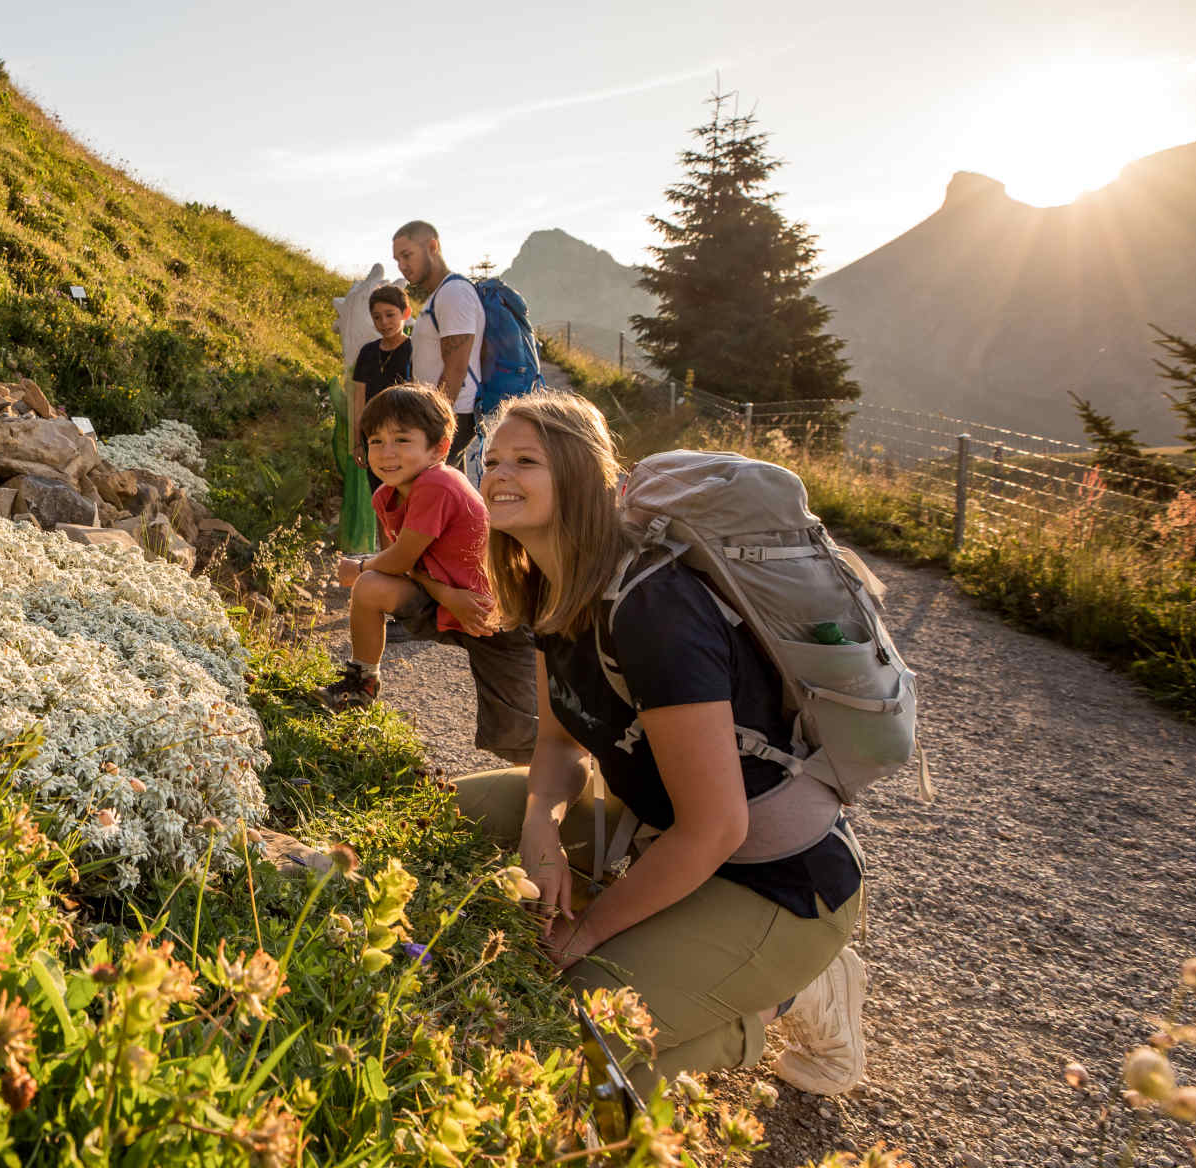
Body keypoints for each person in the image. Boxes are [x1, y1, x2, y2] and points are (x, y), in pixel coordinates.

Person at [451, 390, 867, 1098]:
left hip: (777, 883)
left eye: (527, 460)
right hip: (663, 838)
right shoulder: (553, 588)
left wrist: (586, 934)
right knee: (439, 814)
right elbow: (557, 745)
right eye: (491, 460)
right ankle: (669, 944)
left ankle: (789, 1000)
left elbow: (717, 828)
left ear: (584, 475)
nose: (498, 474)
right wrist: (541, 827)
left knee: (574, 1036)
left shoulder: (651, 609)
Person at [322, 385, 496, 710]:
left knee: (516, 733)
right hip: (444, 597)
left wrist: (359, 567)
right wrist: (372, 571)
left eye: (402, 440)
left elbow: (400, 557)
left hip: (484, 610)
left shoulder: (438, 483)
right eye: (376, 441)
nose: (387, 452)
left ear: (439, 449)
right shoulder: (384, 496)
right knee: (370, 587)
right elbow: (400, 564)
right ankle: (363, 684)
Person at [391, 221, 485, 469]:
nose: (402, 266)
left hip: (451, 412)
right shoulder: (440, 295)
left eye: (407, 255)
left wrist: (436, 422)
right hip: (443, 411)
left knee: (433, 490)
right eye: (397, 260)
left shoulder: (454, 293)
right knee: (451, 493)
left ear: (432, 247)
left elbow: (456, 367)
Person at [347, 285, 415, 437]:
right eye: (377, 317)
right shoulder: (367, 351)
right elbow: (358, 400)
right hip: (372, 433)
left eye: (390, 315)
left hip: (403, 433)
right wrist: (357, 440)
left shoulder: (415, 350)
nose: (384, 322)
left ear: (406, 313)